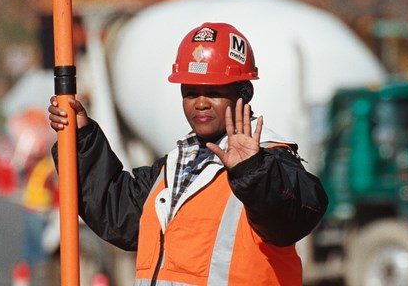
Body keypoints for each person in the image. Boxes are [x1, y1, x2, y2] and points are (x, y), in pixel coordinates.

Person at [48, 22, 328, 285]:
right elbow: (119, 214)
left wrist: (253, 173)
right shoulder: (174, 165)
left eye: (213, 92)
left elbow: (295, 216)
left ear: (243, 94)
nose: (201, 103)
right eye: (191, 92)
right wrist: (82, 139)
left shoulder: (271, 162)